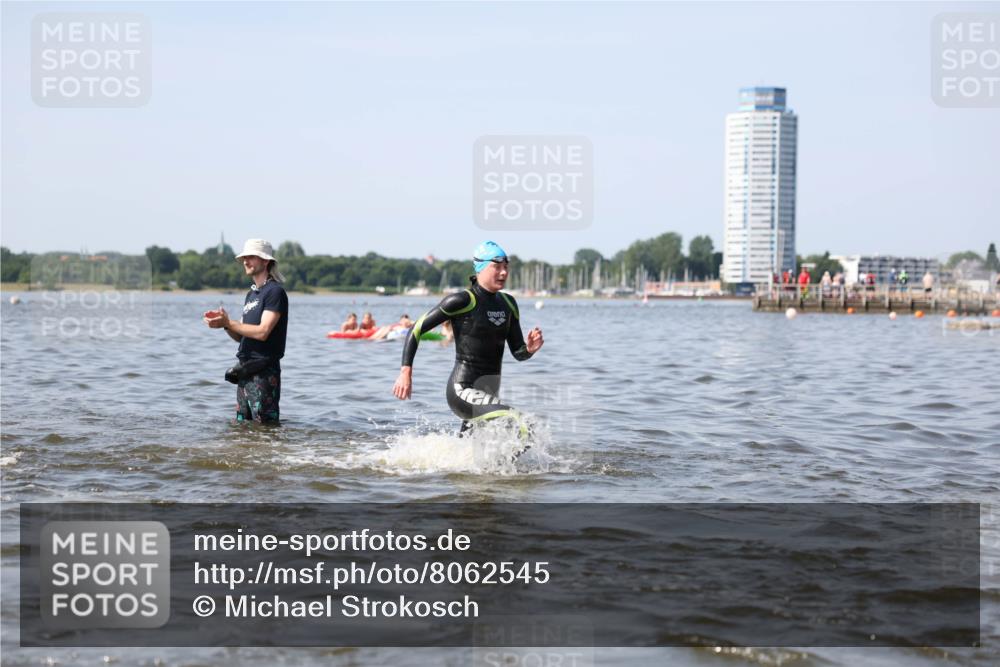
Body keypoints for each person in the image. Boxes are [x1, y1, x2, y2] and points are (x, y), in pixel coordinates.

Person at [392, 240, 543, 438]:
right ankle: (502, 470)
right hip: (462, 390)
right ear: (480, 268)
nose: (504, 272)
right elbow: (416, 329)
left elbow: (518, 353)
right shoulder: (463, 300)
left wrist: (529, 349)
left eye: (506, 267)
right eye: (497, 267)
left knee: (470, 453)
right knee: (524, 426)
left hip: (488, 393)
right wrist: (405, 372)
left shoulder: (508, 303)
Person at [204, 239, 288, 424]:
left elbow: (262, 332)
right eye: (244, 257)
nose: (245, 261)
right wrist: (225, 324)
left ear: (265, 261)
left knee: (265, 427)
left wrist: (230, 322)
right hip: (244, 370)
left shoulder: (274, 292)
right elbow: (240, 336)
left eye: (251, 257)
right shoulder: (252, 295)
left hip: (264, 373)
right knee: (242, 426)